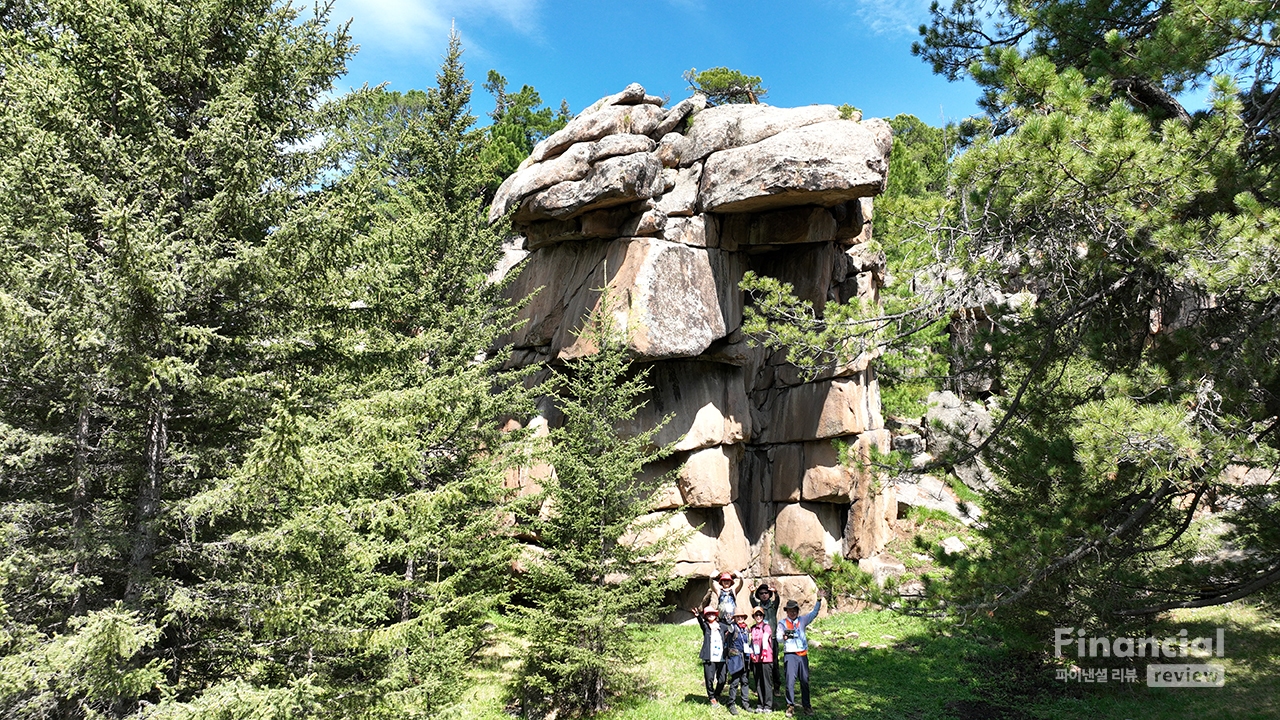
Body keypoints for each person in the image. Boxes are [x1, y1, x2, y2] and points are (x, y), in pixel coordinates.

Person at [778, 597, 821, 716]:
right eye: (790, 610)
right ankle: (790, 705)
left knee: (805, 681)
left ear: (798, 611)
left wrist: (818, 600)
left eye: (795, 610)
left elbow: (814, 613)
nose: (793, 613)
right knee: (790, 681)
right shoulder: (782, 623)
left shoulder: (803, 620)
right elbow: (778, 638)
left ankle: (807, 706)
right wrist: (784, 637)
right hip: (790, 655)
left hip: (802, 654)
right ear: (787, 611)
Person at [693, 604, 735, 707]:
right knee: (709, 678)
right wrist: (698, 616)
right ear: (706, 616)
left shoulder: (722, 626)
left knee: (722, 679)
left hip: (721, 657)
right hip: (709, 657)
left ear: (716, 615)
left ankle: (717, 694)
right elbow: (701, 623)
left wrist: (731, 622)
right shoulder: (706, 627)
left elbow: (731, 630)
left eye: (712, 613)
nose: (711, 615)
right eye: (708, 614)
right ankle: (711, 697)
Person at [752, 582, 781, 690]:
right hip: (760, 639)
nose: (764, 595)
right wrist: (751, 593)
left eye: (766, 593)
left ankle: (776, 686)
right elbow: (752, 602)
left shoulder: (773, 605)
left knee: (774, 662)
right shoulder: (759, 608)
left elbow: (778, 600)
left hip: (772, 638)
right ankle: (761, 685)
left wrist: (776, 592)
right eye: (761, 593)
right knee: (761, 661)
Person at [748, 606, 775, 713]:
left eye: (760, 615)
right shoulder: (753, 628)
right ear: (754, 616)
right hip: (756, 659)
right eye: (756, 615)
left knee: (766, 682)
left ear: (763, 616)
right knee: (758, 682)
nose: (758, 617)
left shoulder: (766, 627)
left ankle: (768, 705)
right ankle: (760, 704)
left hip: (766, 659)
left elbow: (765, 638)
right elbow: (751, 642)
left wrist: (764, 651)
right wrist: (751, 653)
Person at [725, 610, 752, 715]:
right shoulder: (733, 627)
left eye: (742, 617)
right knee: (735, 682)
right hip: (735, 658)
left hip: (745, 658)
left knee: (745, 681)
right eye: (738, 617)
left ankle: (745, 703)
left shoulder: (746, 628)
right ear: (735, 618)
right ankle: (731, 703)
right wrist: (729, 621)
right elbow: (729, 628)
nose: (740, 618)